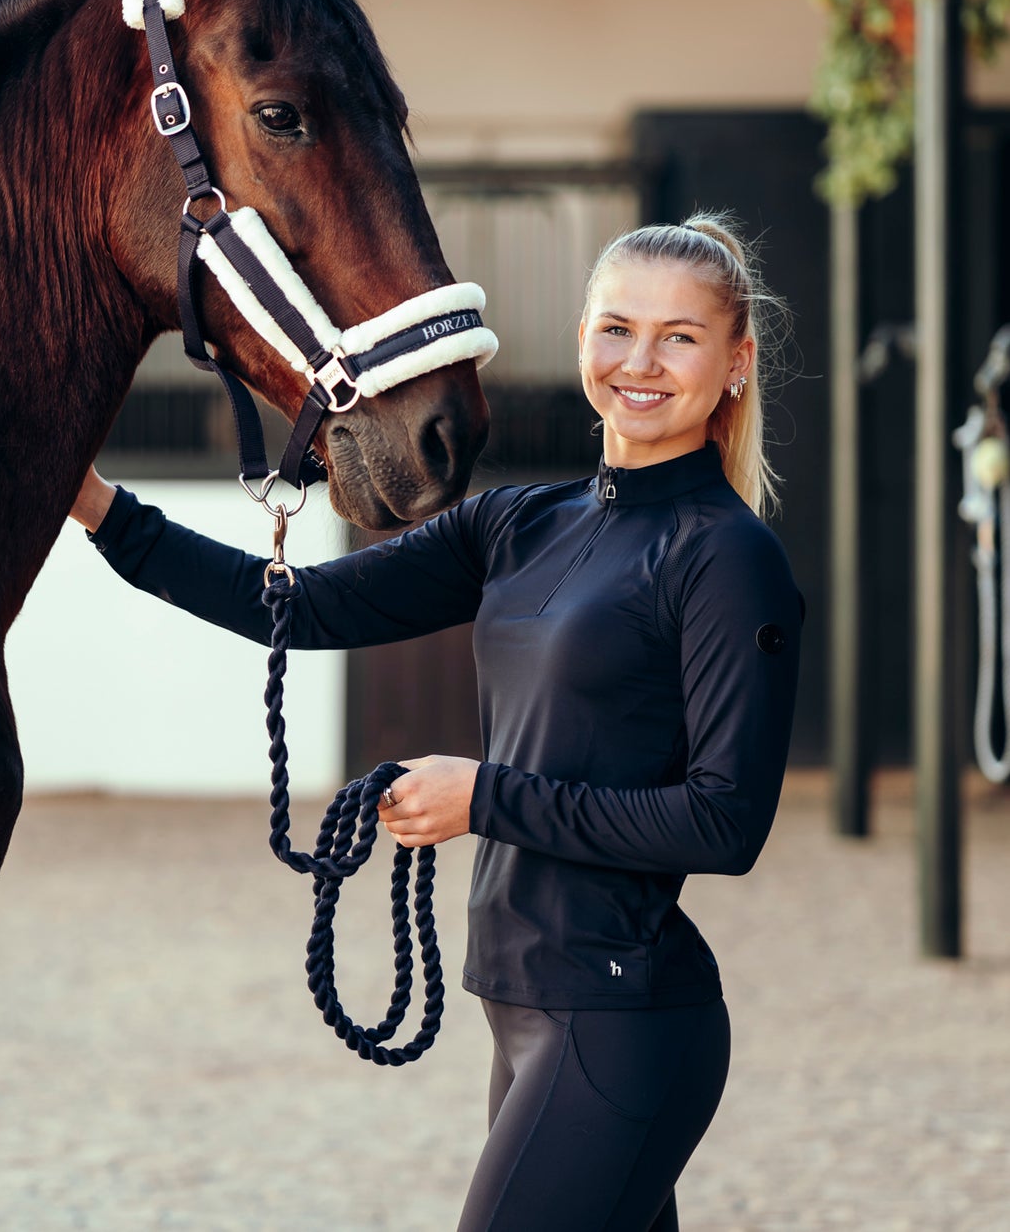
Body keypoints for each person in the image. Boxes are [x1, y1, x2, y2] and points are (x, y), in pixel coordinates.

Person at [69, 215, 802, 1232]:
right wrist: (97, 506)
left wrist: (483, 795)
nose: (639, 361)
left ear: (733, 361)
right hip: (525, 1003)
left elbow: (725, 822)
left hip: (621, 1017)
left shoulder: (725, 556)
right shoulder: (521, 524)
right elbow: (301, 605)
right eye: (615, 327)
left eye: (677, 337)